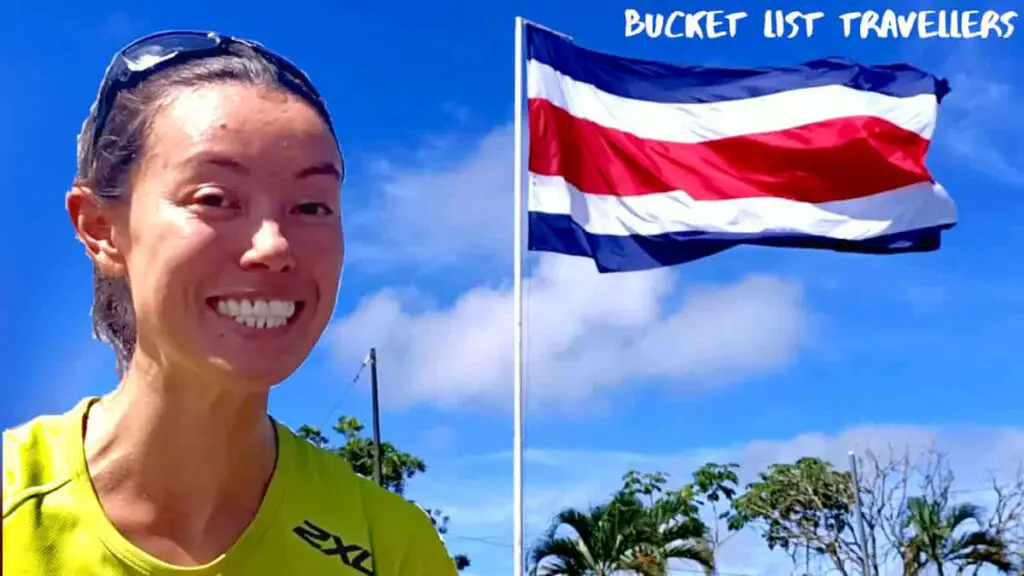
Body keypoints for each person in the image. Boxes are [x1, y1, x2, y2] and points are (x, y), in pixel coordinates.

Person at [2, 30, 458, 575]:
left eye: (312, 207)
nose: (273, 247)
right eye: (214, 199)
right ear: (100, 228)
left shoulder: (391, 546)